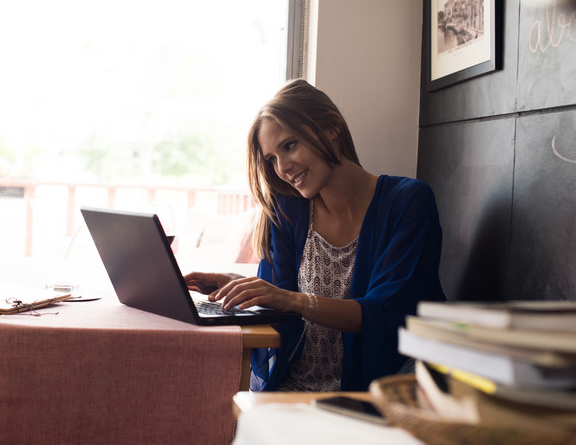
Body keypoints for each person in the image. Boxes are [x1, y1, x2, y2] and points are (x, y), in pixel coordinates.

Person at [184, 79, 445, 392]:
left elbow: (385, 313)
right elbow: (279, 301)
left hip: (371, 395)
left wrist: (291, 300)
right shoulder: (288, 209)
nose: (282, 168)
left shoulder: (408, 202)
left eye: (290, 145)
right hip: (291, 387)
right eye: (271, 159)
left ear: (331, 127)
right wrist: (242, 290)